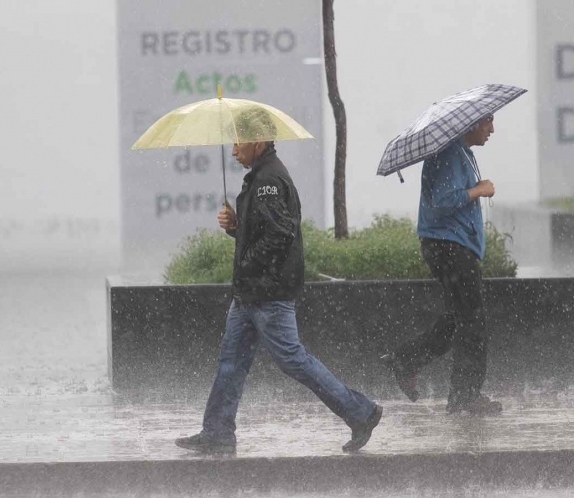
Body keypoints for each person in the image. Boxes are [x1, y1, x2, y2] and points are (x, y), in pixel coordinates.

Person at [175, 108, 382, 454]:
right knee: (231, 361)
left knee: (294, 360)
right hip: (251, 294)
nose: (233, 149)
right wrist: (236, 228)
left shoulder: (269, 181)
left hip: (267, 294)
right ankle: (217, 433)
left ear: (258, 142)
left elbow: (280, 235)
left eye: (238, 142)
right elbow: (267, 233)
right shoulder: (260, 176)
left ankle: (361, 412)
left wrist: (247, 263)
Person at [382, 115, 503, 416]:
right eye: (487, 122)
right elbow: (443, 201)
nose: (492, 129)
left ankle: (406, 360)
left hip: (451, 245)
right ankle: (465, 396)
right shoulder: (449, 153)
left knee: (456, 319)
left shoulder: (460, 153)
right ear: (471, 123)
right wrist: (479, 190)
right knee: (472, 321)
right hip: (450, 246)